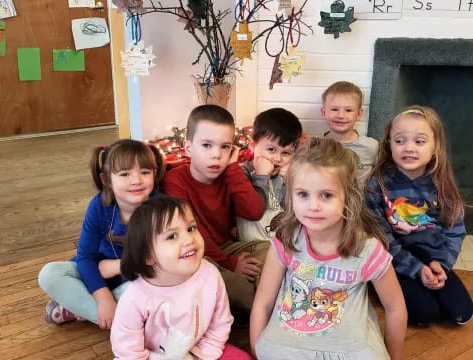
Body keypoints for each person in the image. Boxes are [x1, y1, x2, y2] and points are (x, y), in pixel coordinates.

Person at [250, 137, 407, 360]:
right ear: (291, 195)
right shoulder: (285, 240)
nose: (313, 206)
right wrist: (257, 351)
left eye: (326, 195)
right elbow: (263, 303)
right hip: (286, 347)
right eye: (303, 194)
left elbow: (395, 308)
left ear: (347, 196)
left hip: (350, 351)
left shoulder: (367, 250)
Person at [38, 139, 164, 329]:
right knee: (49, 274)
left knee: (152, 288)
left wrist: (118, 266)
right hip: (100, 272)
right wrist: (103, 297)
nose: (136, 180)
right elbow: (85, 256)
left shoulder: (164, 208)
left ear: (154, 173)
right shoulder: (98, 205)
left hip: (136, 279)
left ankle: (80, 308)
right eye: (124, 174)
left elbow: (163, 260)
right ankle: (123, 323)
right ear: (107, 180)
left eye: (145, 172)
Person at [365, 106, 473, 326]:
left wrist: (441, 265)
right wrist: (415, 269)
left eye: (419, 141)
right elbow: (381, 238)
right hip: (395, 260)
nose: (409, 148)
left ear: (435, 147)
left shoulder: (443, 186)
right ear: (389, 145)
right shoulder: (377, 185)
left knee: (462, 313)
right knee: (425, 315)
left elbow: (455, 231)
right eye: (400, 141)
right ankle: (377, 285)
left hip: (433, 259)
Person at [110, 196, 252, 360]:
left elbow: (220, 322)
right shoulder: (135, 297)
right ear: (147, 256)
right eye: (171, 236)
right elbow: (128, 351)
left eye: (191, 228)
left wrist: (205, 355)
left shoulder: (210, 274)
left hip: (199, 350)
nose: (188, 239)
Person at [162, 104, 269, 312]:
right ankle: (261, 304)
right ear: (188, 148)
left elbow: (254, 211)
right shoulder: (175, 181)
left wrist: (232, 170)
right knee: (235, 288)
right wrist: (230, 263)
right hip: (196, 254)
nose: (216, 155)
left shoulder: (229, 174)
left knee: (274, 252)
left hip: (226, 247)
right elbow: (191, 234)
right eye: (207, 145)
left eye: (225, 147)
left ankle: (260, 299)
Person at [237, 108, 303, 243]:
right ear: (252, 146)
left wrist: (291, 181)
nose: (278, 159)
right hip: (255, 244)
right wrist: (261, 176)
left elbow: (293, 210)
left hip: (284, 242)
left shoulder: (284, 173)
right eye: (271, 149)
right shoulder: (241, 174)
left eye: (286, 153)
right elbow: (254, 211)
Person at [322, 81, 379, 186]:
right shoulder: (315, 147)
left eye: (348, 110)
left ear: (359, 114)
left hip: (361, 202)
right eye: (334, 109)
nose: (341, 115)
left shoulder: (372, 147)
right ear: (324, 113)